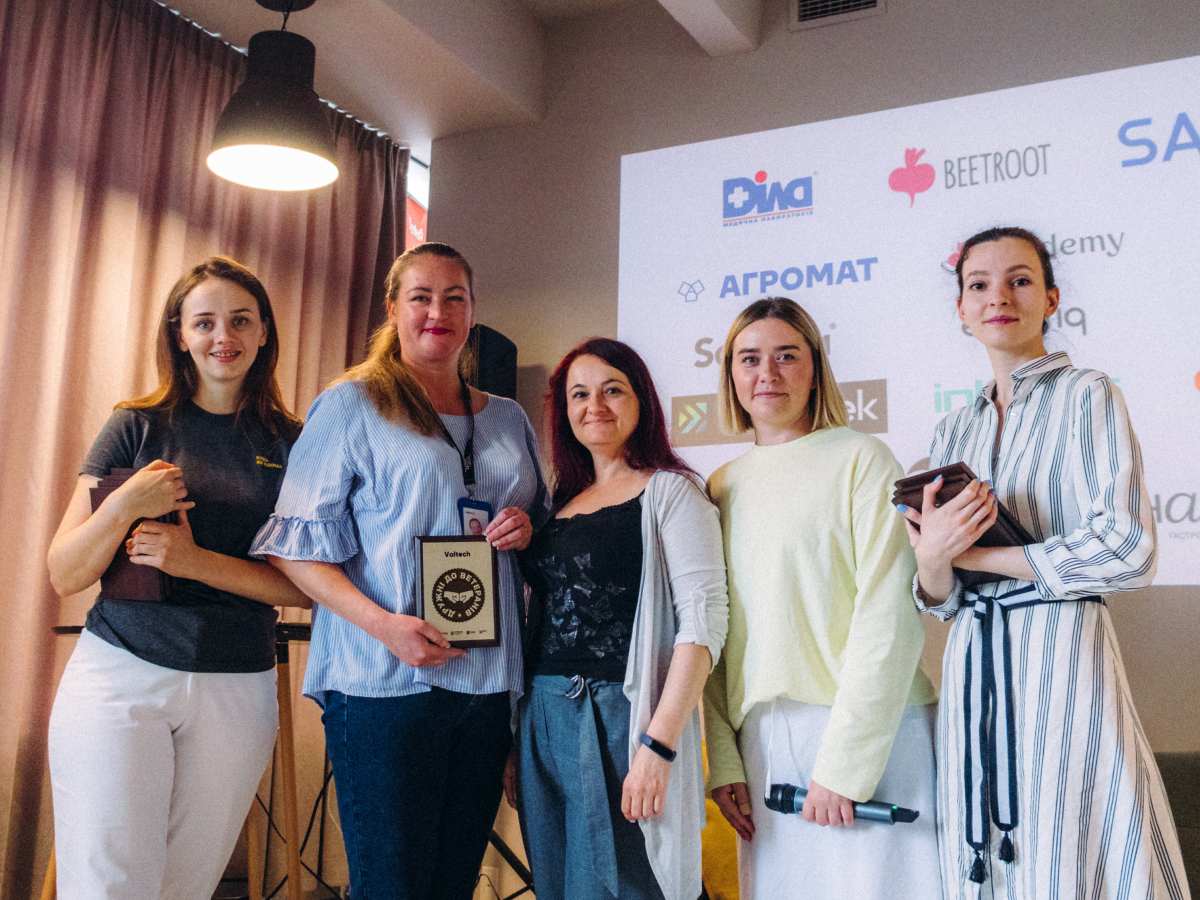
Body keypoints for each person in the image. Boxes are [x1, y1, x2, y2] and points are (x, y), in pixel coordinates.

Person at [250, 242, 548, 900]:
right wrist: (384, 626)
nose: (437, 310)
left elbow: (540, 531)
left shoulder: (509, 417)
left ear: (473, 312)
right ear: (393, 308)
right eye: (421, 296)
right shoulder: (352, 405)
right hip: (383, 685)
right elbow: (292, 547)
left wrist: (525, 528)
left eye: (454, 298)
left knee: (450, 887)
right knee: (392, 888)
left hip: (486, 689)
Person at [898, 226, 1190, 899]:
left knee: (1069, 849)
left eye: (1019, 279)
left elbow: (1127, 548)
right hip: (972, 664)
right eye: (979, 284)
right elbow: (938, 596)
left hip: (1063, 653)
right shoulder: (951, 429)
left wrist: (983, 555)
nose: (998, 295)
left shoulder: (1088, 393)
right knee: (983, 855)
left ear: (1051, 297)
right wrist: (937, 560)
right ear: (962, 309)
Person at [46, 257, 310, 900]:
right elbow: (65, 571)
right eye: (206, 322)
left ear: (265, 332)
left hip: (237, 688)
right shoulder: (134, 424)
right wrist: (124, 504)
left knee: (183, 887)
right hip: (120, 676)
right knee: (106, 885)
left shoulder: (294, 442)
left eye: (241, 320)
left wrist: (195, 564)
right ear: (180, 335)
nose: (225, 336)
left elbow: (307, 590)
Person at [703, 297, 941, 898]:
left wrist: (845, 765)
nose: (768, 374)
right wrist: (725, 761)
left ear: (816, 367)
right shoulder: (721, 485)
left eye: (788, 355)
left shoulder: (863, 459)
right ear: (730, 374)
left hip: (872, 736)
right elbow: (710, 632)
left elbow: (889, 615)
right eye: (749, 358)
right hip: (763, 744)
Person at [509, 337, 728, 900]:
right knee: (559, 885)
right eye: (579, 394)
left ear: (642, 401)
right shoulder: (558, 503)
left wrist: (658, 746)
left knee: (630, 884)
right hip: (543, 716)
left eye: (612, 389)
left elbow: (702, 625)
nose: (595, 405)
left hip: (621, 718)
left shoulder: (672, 492)